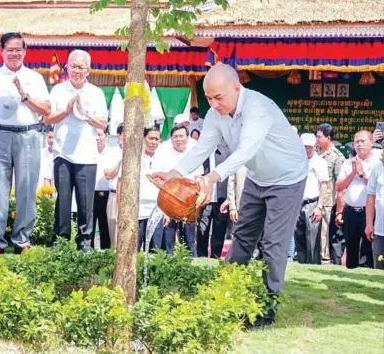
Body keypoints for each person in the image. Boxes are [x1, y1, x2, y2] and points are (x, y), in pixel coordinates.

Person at [152, 64, 308, 328]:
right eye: (209, 98)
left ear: (237, 88)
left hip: (287, 179)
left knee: (272, 244)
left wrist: (212, 177)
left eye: (219, 97)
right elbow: (203, 147)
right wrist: (174, 173)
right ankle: (224, 294)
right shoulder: (215, 113)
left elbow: (246, 151)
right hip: (258, 179)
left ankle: (267, 308)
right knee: (242, 238)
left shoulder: (258, 108)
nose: (214, 104)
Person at [0, 32, 51, 257]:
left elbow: (47, 110)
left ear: (25, 51)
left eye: (18, 49)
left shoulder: (35, 78)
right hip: (0, 134)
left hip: (28, 135)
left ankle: (22, 239)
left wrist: (24, 96)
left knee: (27, 189)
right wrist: (2, 101)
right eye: (10, 49)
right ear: (1, 51)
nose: (14, 54)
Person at [44, 50, 108, 253]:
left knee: (85, 201)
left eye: (81, 67)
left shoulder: (96, 93)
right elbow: (47, 119)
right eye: (73, 66)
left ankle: (85, 242)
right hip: (62, 153)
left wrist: (85, 113)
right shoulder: (58, 91)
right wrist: (66, 111)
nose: (76, 71)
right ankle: (60, 241)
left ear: (88, 70)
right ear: (67, 67)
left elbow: (103, 124)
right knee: (62, 199)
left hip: (87, 155)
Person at [156, 125, 203, 256]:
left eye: (181, 136)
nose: (178, 139)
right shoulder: (164, 155)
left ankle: (191, 264)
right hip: (170, 203)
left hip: (189, 205)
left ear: (187, 138)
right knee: (169, 240)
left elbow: (198, 179)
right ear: (171, 139)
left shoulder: (193, 156)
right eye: (175, 137)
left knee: (189, 240)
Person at [336, 130, 380, 269]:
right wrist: (353, 172)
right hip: (350, 212)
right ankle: (350, 270)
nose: (359, 144)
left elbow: (376, 187)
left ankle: (367, 272)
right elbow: (339, 186)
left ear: (372, 143)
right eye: (356, 142)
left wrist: (361, 174)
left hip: (369, 212)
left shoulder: (377, 162)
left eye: (363, 141)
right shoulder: (349, 162)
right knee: (350, 245)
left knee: (368, 249)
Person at [117, 126, 161, 251]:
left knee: (155, 252)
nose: (153, 142)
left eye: (157, 139)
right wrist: (121, 209)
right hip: (136, 212)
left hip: (156, 213)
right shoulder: (132, 158)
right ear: (143, 138)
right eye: (151, 138)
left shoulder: (162, 159)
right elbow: (120, 183)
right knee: (133, 251)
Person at [294, 133, 329, 265]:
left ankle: (313, 265)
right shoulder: (296, 161)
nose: (307, 150)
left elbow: (324, 184)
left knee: (313, 240)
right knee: (299, 236)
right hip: (298, 203)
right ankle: (302, 265)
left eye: (309, 147)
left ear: (314, 147)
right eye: (304, 146)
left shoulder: (319, 162)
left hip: (312, 203)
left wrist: (319, 206)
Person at [316, 123, 345, 264]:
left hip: (327, 201)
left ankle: (324, 259)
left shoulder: (336, 156)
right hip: (310, 197)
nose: (317, 139)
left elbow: (340, 183)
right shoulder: (313, 152)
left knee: (323, 232)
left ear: (328, 138)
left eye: (319, 137)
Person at [103, 123, 124, 248]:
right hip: (114, 195)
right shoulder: (111, 152)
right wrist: (122, 160)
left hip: (132, 196)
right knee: (115, 227)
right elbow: (108, 174)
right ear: (119, 136)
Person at [92, 127, 111, 249]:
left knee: (106, 227)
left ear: (107, 135)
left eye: (100, 135)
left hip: (107, 194)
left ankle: (106, 253)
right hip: (90, 194)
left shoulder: (113, 152)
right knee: (89, 226)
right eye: (95, 135)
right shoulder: (88, 152)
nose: (98, 138)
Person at [366, 149, 384, 269]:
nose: (382, 152)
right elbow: (370, 197)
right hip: (380, 229)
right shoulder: (377, 168)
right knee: (379, 261)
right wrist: (369, 224)